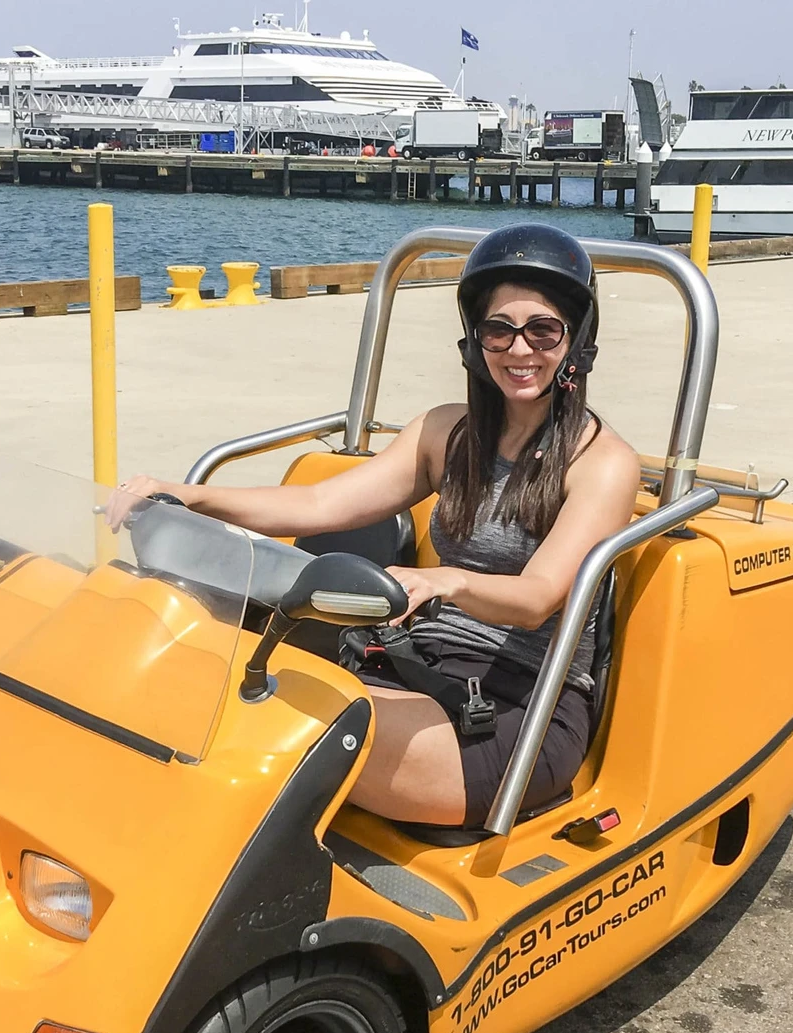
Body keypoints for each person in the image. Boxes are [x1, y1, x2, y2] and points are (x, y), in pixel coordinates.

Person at [114, 223, 642, 828]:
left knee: (284, 725)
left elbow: (538, 598)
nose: (520, 350)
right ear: (476, 341)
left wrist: (446, 581)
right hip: (414, 664)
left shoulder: (601, 462)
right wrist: (189, 495)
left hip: (519, 705)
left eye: (542, 331)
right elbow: (318, 507)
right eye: (500, 330)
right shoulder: (448, 432)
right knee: (197, 676)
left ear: (575, 340)